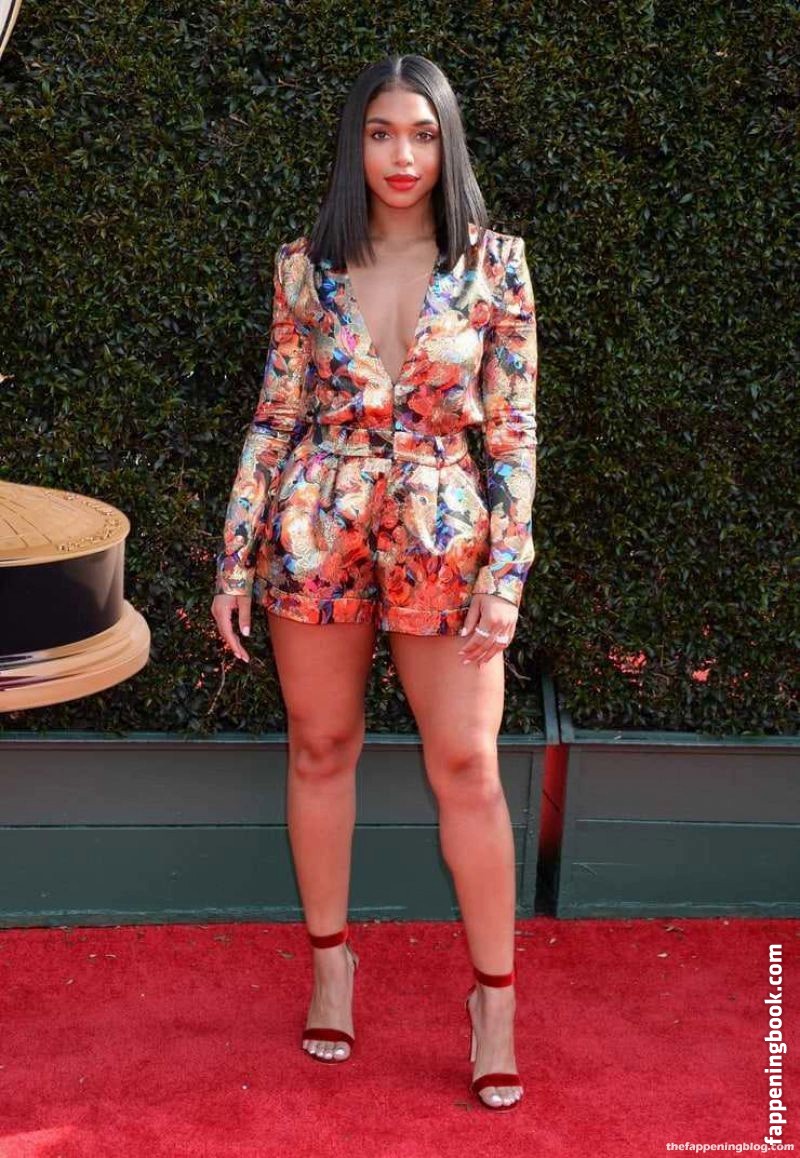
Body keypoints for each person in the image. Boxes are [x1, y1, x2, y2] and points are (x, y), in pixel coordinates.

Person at [211, 53, 537, 1112]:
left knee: (468, 766)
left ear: (448, 144)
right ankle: (329, 966)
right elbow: (274, 414)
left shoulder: (496, 266)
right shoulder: (304, 268)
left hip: (447, 535)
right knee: (320, 748)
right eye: (382, 132)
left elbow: (516, 433)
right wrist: (234, 553)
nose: (403, 155)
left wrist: (507, 571)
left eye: (423, 134)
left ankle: (494, 1003)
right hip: (316, 526)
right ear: (355, 143)